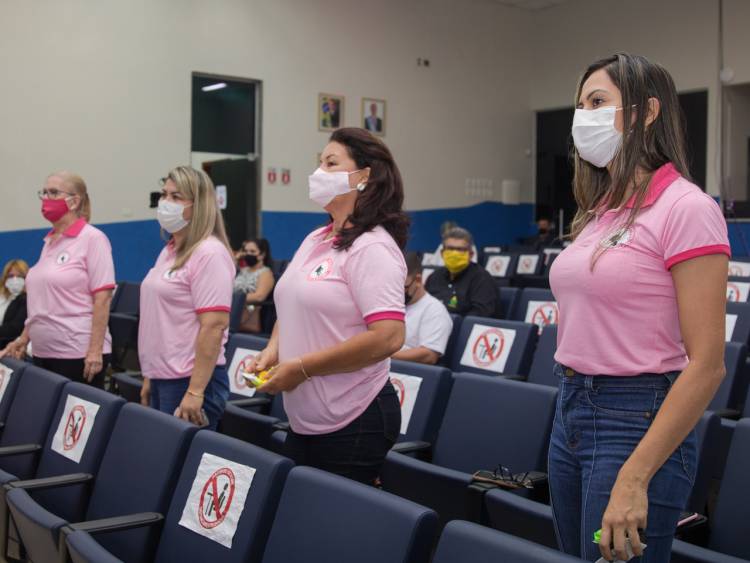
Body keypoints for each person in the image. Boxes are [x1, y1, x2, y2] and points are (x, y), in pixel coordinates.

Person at [548, 53, 729, 563]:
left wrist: (635, 475)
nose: (583, 115)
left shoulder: (688, 208)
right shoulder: (600, 210)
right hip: (571, 409)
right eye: (580, 104)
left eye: (598, 102)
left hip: (637, 418)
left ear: (646, 111)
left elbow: (708, 365)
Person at [248, 127, 408, 484]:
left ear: (364, 176)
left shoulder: (372, 247)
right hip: (307, 416)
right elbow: (291, 308)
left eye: (331, 163)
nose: (318, 172)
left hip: (354, 416)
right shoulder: (316, 238)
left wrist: (302, 367)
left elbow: (388, 337)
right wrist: (274, 350)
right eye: (319, 163)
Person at [138, 166, 235, 431]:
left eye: (176, 197)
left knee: (178, 469)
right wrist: (150, 376)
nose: (166, 203)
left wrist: (195, 392)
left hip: (190, 381)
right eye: (164, 194)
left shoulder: (209, 253)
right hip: (162, 377)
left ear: (199, 205)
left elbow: (213, 326)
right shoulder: (170, 251)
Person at [0, 172, 115, 388]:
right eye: (44, 192)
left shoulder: (93, 239)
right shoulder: (50, 241)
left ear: (74, 201)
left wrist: (94, 350)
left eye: (53, 192)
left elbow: (103, 299)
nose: (46, 198)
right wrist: (23, 339)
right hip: (43, 351)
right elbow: (41, 304)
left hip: (77, 354)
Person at [393, 252, 453, 365]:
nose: (396, 292)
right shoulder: (389, 303)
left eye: (402, 287)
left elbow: (429, 355)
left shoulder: (435, 310)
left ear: (418, 280)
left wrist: (382, 354)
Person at [425, 227, 498, 317]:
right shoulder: (434, 277)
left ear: (471, 254)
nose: (455, 253)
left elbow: (479, 315)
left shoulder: (482, 279)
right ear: (442, 253)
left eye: (460, 249)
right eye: (450, 249)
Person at [234, 238, 275, 334]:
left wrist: (235, 299)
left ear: (262, 255)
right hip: (233, 312)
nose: (248, 254)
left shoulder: (265, 273)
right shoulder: (242, 270)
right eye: (246, 251)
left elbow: (259, 296)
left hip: (249, 314)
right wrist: (236, 258)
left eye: (252, 251)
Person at [0, 260, 29, 349]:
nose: (15, 280)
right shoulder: (2, 297)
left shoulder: (26, 300)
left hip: (9, 348)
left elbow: (14, 329)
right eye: (11, 276)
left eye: (19, 276)